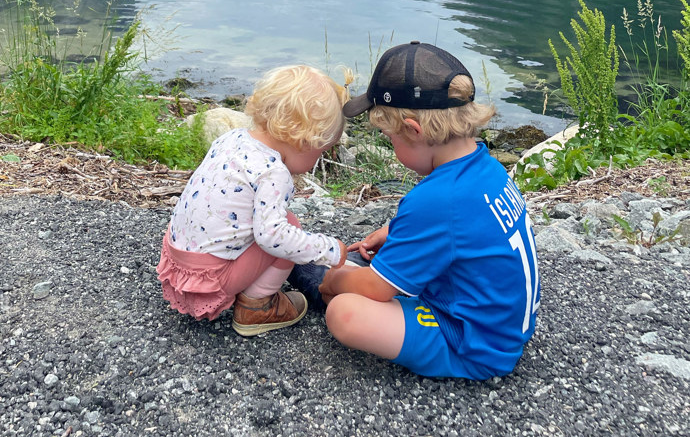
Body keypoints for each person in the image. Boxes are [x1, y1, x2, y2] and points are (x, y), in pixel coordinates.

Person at [316, 41, 540, 380]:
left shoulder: (437, 199)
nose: (392, 148)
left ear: (413, 130)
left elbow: (377, 289)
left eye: (390, 138)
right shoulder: (487, 168)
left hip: (473, 344)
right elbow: (468, 229)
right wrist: (394, 233)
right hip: (505, 327)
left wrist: (336, 280)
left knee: (344, 311)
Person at [156, 64, 348, 336]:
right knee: (288, 226)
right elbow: (273, 237)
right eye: (320, 153)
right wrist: (329, 249)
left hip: (178, 266)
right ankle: (256, 306)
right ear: (305, 142)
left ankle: (239, 287)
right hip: (209, 281)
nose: (316, 160)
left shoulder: (231, 139)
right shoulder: (273, 172)